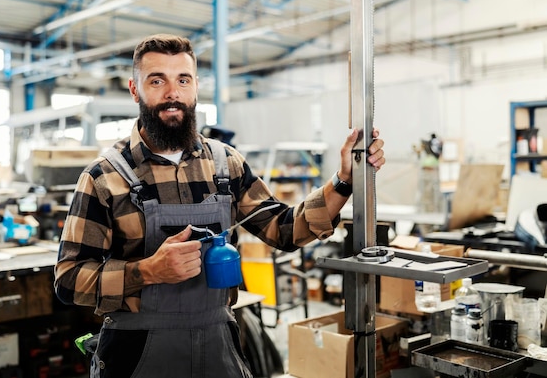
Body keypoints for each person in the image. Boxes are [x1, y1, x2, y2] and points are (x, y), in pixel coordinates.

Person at [54, 33, 385, 378]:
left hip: (217, 347)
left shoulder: (226, 164)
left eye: (183, 80)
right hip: (135, 352)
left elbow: (284, 230)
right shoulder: (104, 176)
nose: (172, 93)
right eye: (157, 81)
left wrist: (344, 180)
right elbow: (67, 280)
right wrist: (148, 271)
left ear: (196, 86)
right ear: (135, 89)